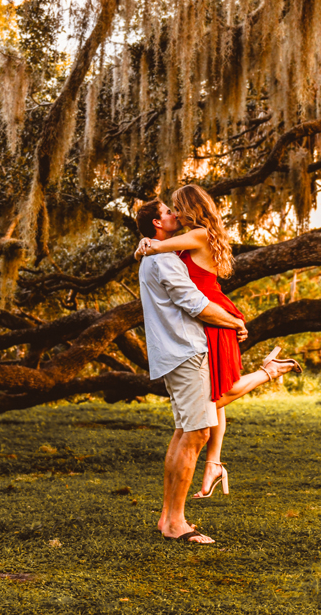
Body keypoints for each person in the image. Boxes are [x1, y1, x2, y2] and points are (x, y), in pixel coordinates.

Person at [136, 184, 301, 500]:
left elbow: (154, 249)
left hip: (211, 314)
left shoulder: (197, 234)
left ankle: (269, 372)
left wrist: (143, 245)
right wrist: (144, 245)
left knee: (215, 394)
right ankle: (213, 462)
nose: (176, 214)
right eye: (170, 210)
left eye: (177, 208)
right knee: (213, 393)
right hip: (204, 315)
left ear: (190, 209)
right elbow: (155, 250)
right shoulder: (196, 235)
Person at [136, 198, 246, 545]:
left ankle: (168, 516)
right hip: (185, 350)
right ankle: (176, 523)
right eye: (168, 211)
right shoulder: (165, 259)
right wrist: (236, 323)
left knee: (185, 431)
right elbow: (196, 305)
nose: (175, 214)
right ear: (157, 222)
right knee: (198, 433)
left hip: (173, 351)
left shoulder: (158, 255)